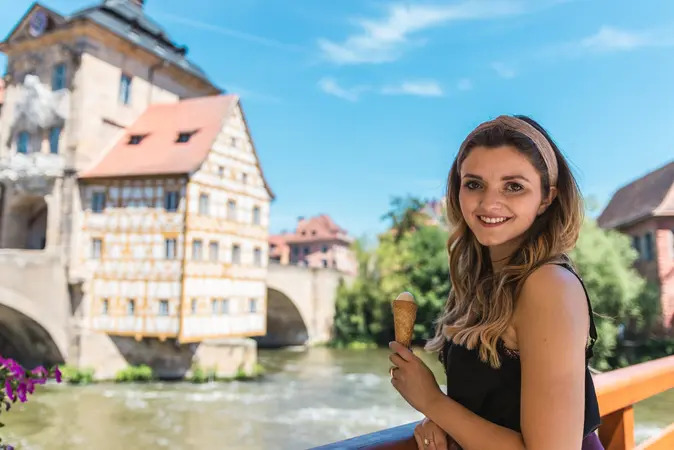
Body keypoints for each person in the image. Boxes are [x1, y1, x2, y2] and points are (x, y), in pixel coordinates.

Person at [387, 115, 603, 450]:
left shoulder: (549, 285)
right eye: (474, 184)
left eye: (513, 186)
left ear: (547, 197)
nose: (489, 203)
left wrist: (433, 402)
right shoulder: (481, 283)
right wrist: (448, 419)